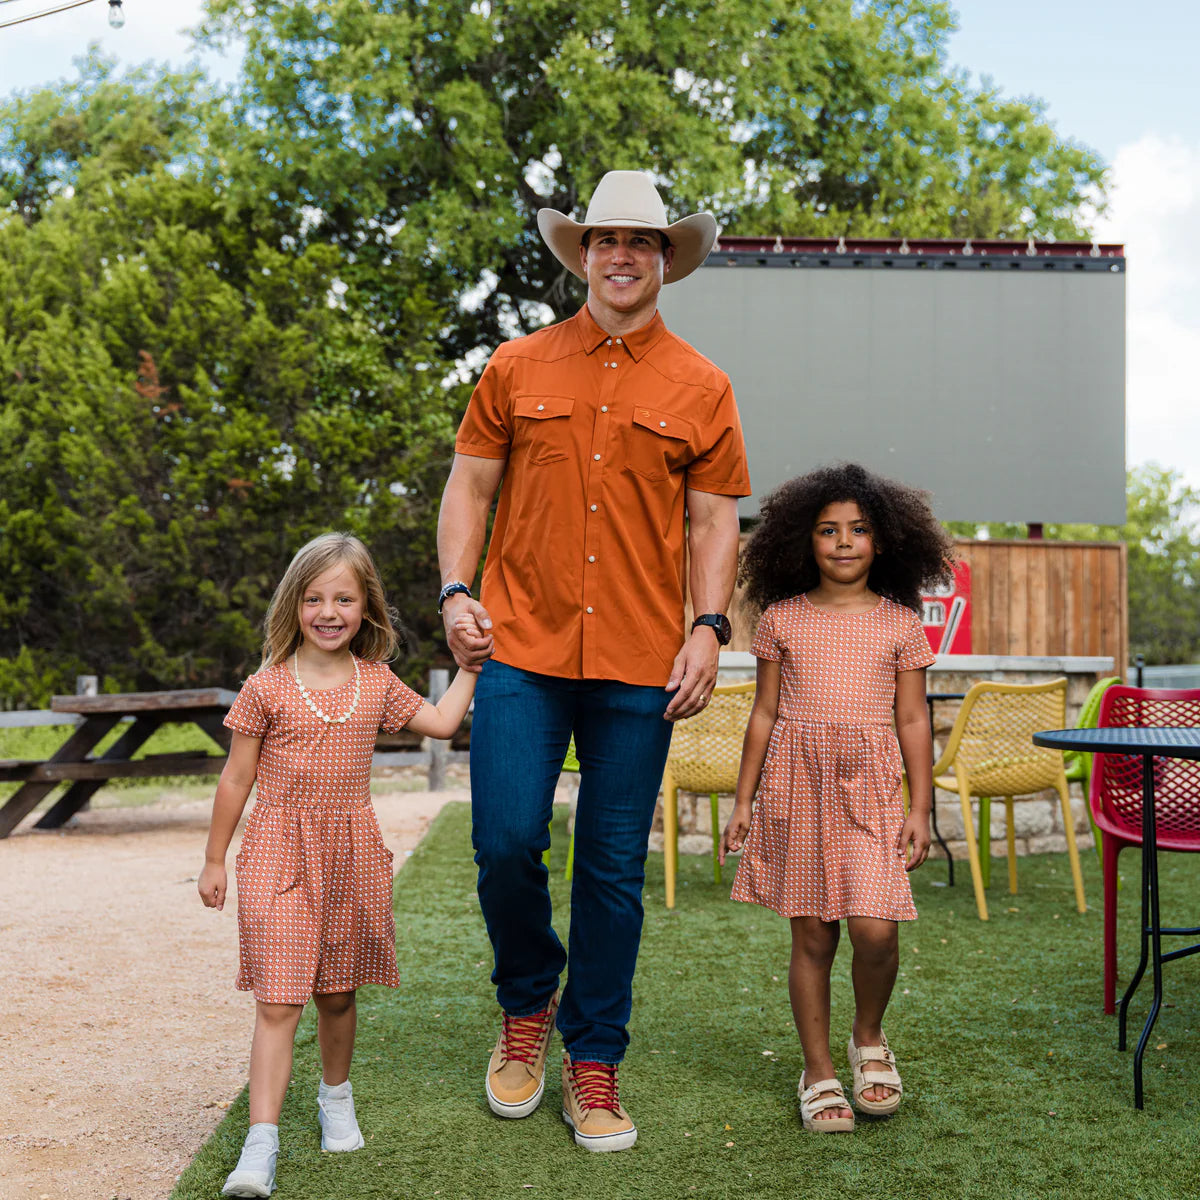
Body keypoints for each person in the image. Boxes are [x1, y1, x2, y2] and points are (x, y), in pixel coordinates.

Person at [437, 170, 750, 1151]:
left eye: (643, 243)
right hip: (523, 648)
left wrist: (709, 626)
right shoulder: (516, 367)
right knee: (504, 844)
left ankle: (595, 1056)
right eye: (606, 239)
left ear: (667, 261)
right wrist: (455, 594)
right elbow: (468, 490)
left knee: (613, 869)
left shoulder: (703, 386)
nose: (623, 256)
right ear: (583, 253)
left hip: (637, 660)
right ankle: (527, 1005)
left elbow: (713, 521)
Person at [199, 532, 477, 1197]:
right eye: (315, 598)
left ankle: (335, 1099)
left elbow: (440, 722)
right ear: (295, 605)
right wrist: (214, 858)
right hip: (276, 853)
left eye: (344, 598)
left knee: (338, 991)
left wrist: (474, 666)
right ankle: (259, 1143)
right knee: (279, 998)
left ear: (365, 607)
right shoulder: (265, 688)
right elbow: (236, 779)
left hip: (351, 856)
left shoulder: (375, 682)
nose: (329, 611)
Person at [720, 463, 954, 1133]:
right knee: (814, 934)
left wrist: (920, 806)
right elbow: (763, 713)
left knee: (876, 931)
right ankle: (818, 1069)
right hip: (798, 785)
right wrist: (744, 800)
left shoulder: (901, 625)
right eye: (828, 530)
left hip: (870, 788)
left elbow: (912, 720)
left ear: (884, 541)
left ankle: (868, 1036)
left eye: (859, 529)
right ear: (804, 540)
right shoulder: (781, 620)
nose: (844, 542)